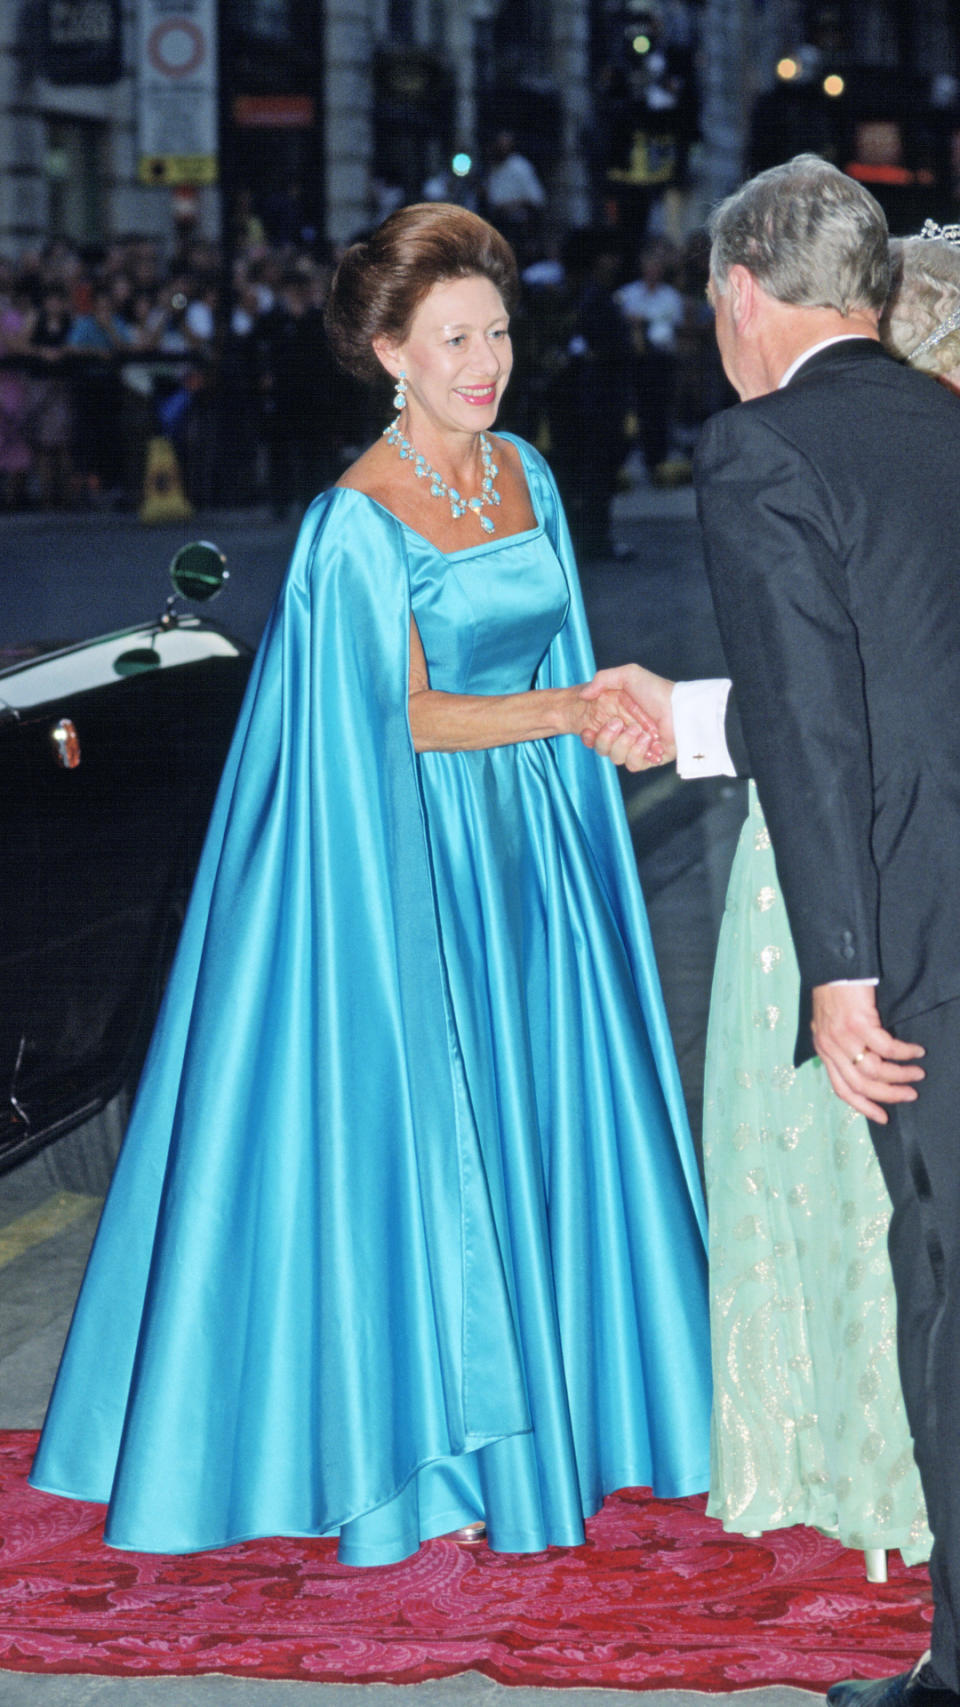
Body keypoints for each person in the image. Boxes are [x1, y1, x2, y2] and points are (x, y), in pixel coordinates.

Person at [30, 203, 712, 1568]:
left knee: (547, 1116)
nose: (486, 362)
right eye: (453, 339)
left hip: (537, 855)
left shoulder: (526, 471)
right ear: (389, 351)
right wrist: (567, 716)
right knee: (454, 1140)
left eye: (498, 332)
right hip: (422, 852)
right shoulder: (355, 522)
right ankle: (452, 1448)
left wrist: (585, 734)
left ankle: (581, 1403)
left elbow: (559, 649)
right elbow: (392, 720)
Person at [581, 159, 960, 1707]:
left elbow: (818, 727)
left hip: (920, 931)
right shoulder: (945, 426)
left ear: (742, 292)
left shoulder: (760, 446)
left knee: (938, 1277)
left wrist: (842, 969)